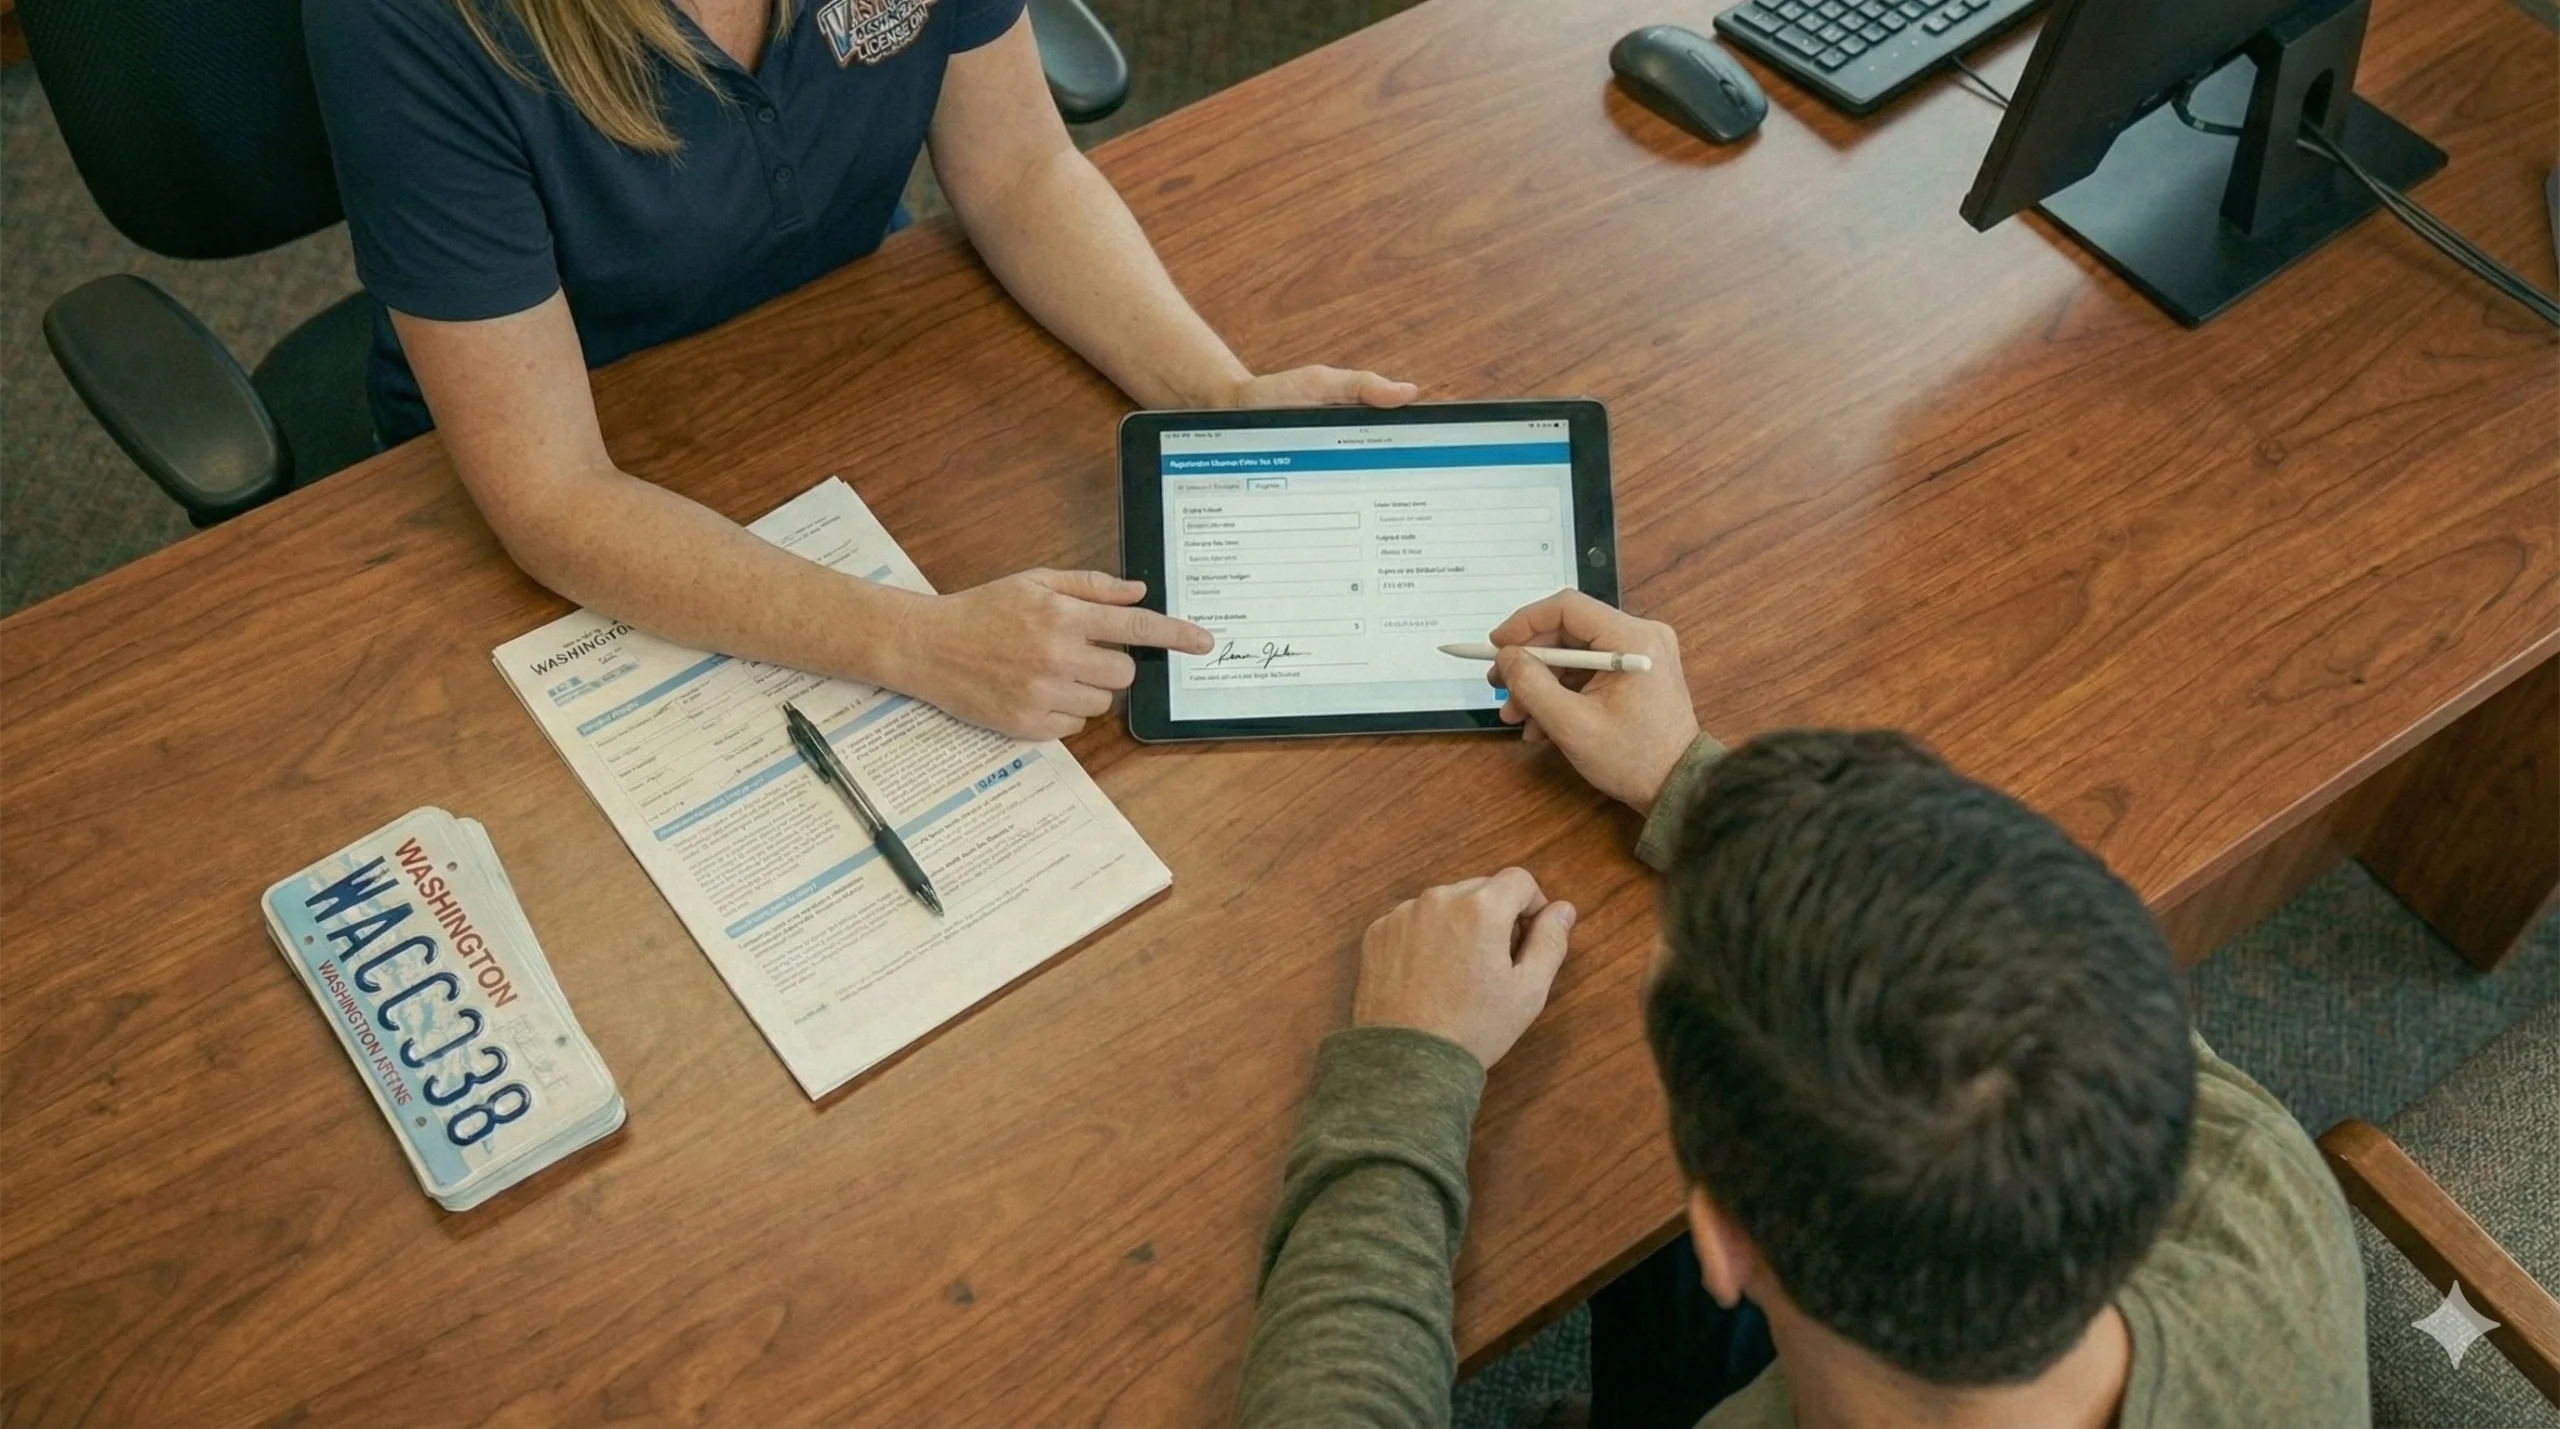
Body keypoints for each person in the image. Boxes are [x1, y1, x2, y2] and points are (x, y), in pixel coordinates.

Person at [1234, 590, 2368, 1428]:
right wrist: (1686, 774)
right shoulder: (2257, 1188)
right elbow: (2000, 944)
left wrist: (1405, 1062)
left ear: (1724, 1237)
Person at [305, 0, 1415, 740]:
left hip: (840, 363)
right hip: (570, 460)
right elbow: (551, 494)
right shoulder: (408, 22)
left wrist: (1213, 400)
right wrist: (914, 641)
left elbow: (1022, 170)